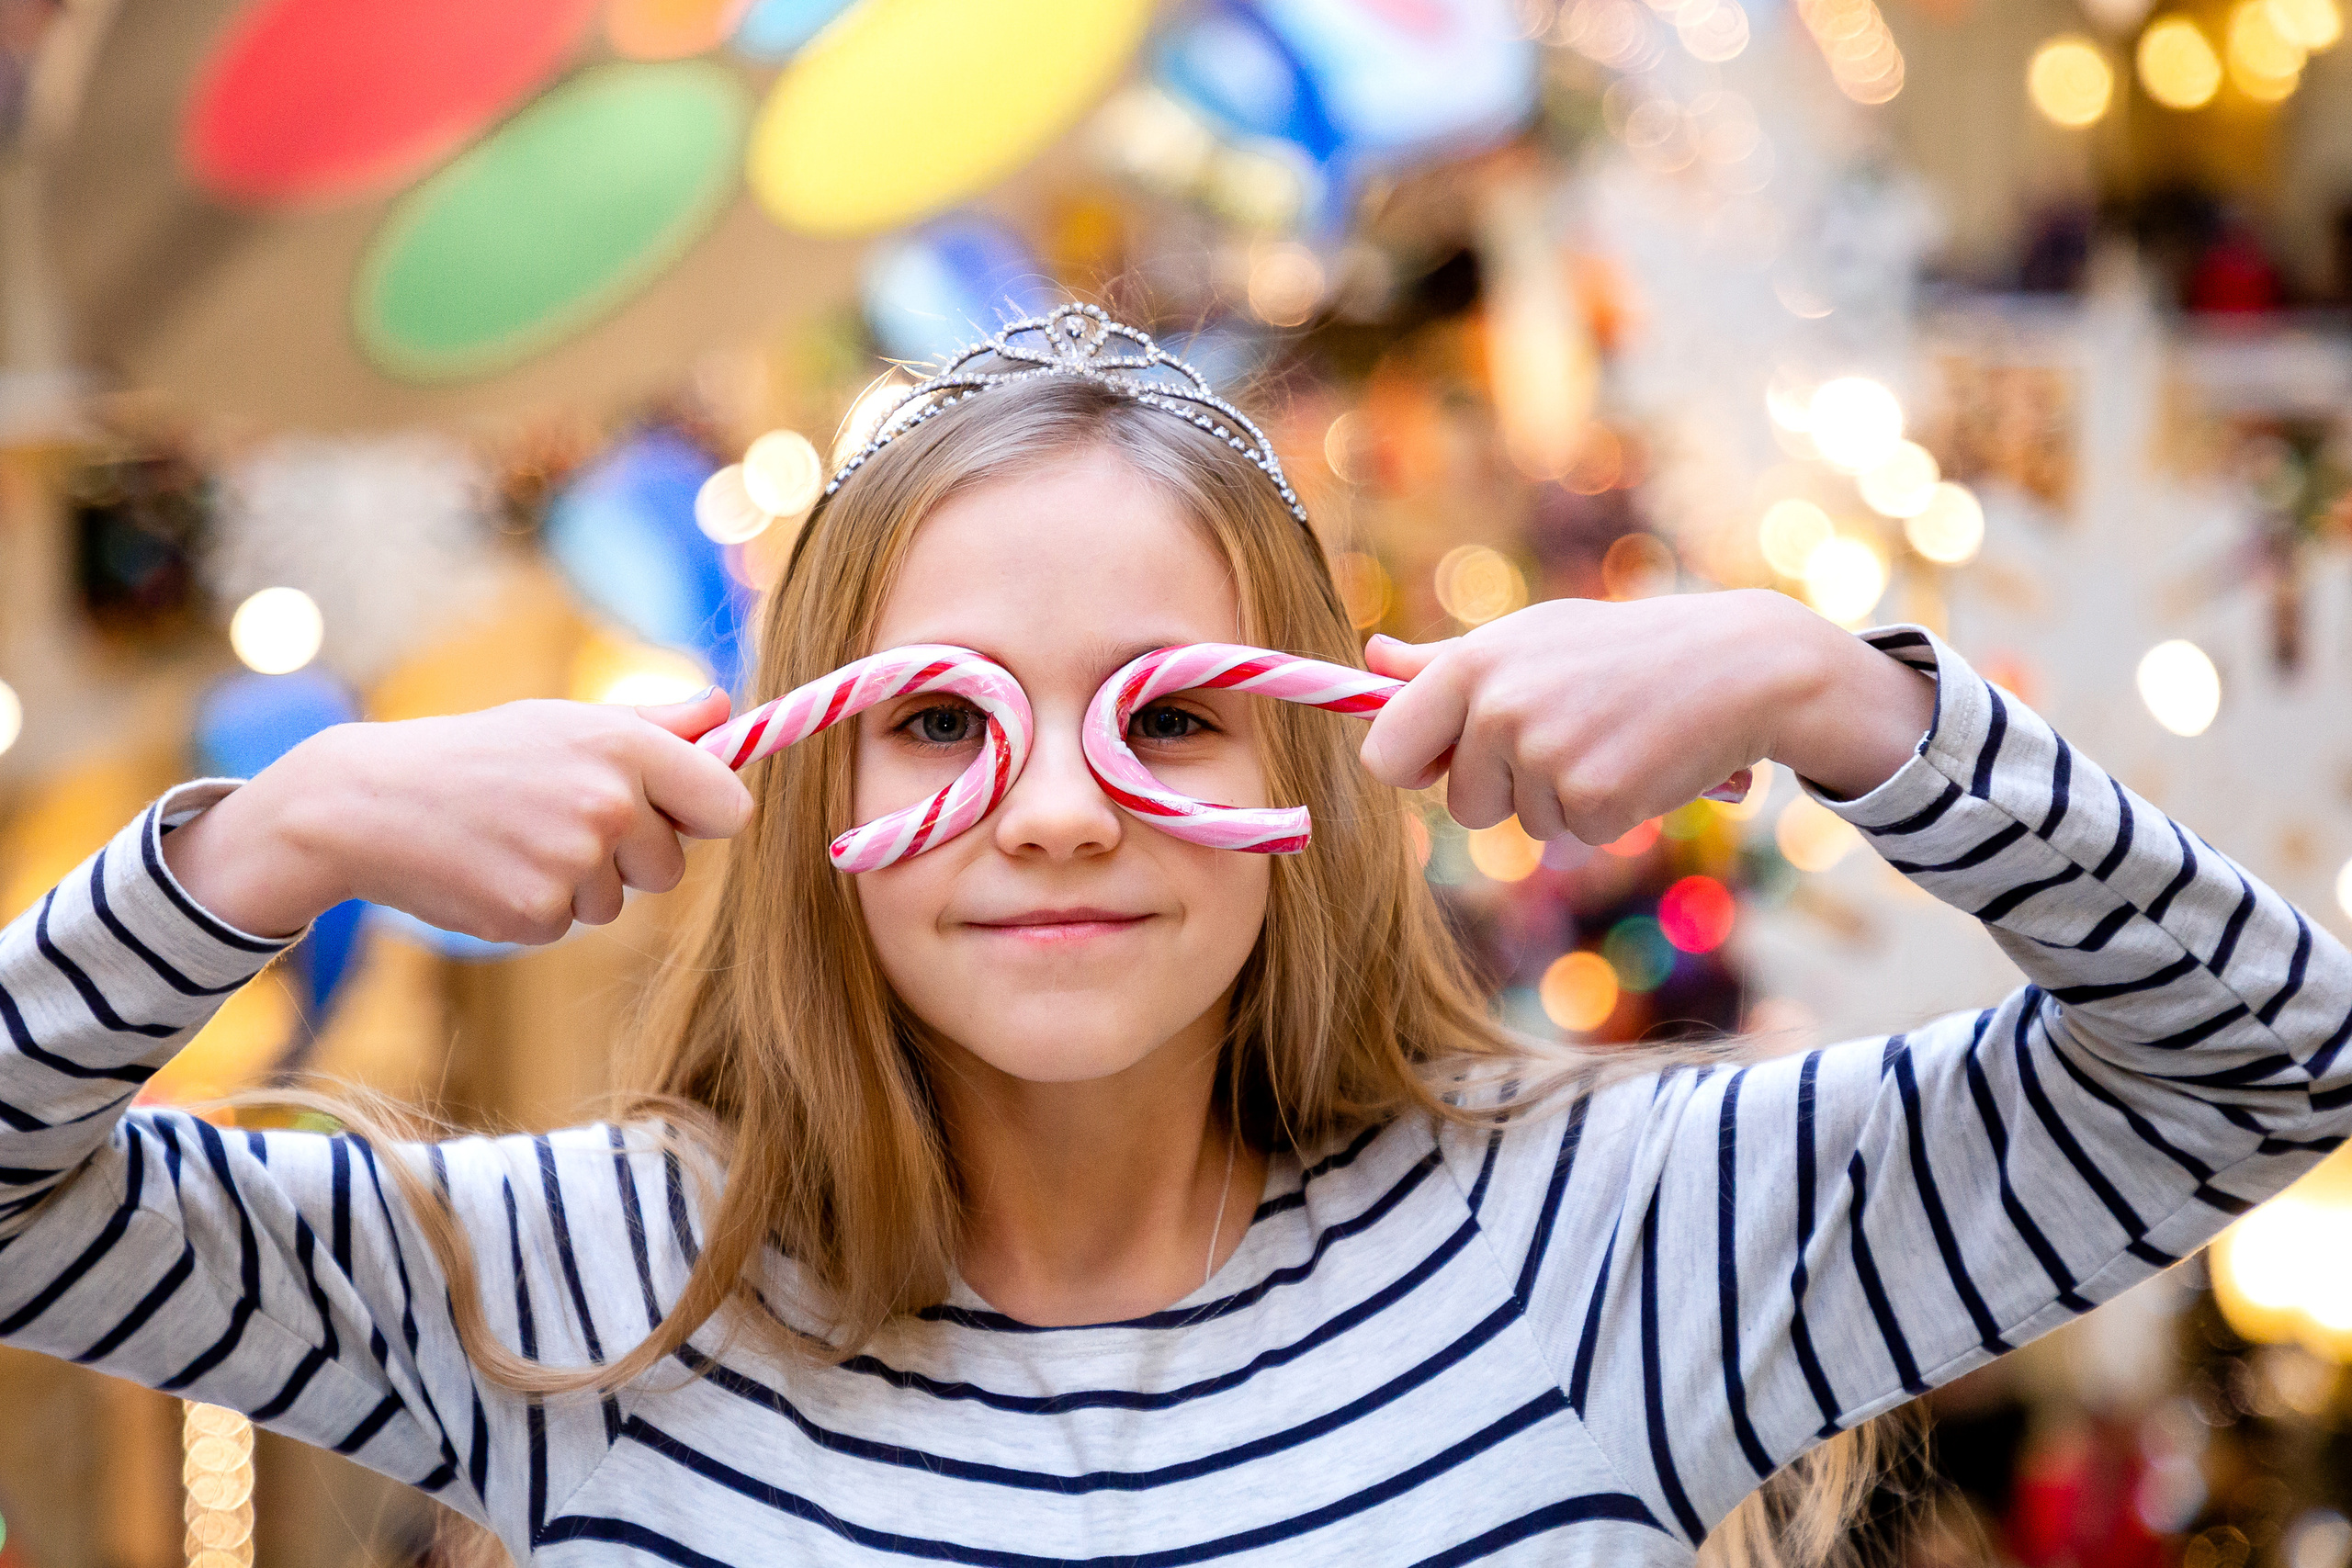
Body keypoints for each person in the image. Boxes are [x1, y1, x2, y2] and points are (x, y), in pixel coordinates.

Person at [1, 303, 2345, 1568]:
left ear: (1307, 776)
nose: (1041, 811)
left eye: (1174, 719)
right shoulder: (576, 1291)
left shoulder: (1601, 1241)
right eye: (932, 716)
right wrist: (262, 843)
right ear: (808, 773)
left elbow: (2272, 1067)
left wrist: (1849, 700)